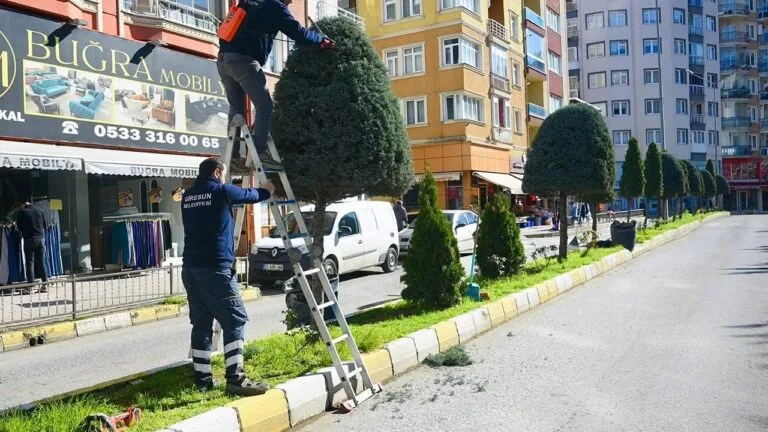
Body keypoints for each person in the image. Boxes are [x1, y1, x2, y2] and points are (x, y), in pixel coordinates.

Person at [181, 158, 275, 395]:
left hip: (190, 268)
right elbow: (251, 195)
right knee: (235, 320)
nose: (224, 178)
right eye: (223, 174)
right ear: (216, 172)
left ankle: (202, 381)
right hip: (216, 268)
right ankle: (236, 379)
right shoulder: (223, 191)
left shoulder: (188, 197)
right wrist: (267, 190)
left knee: (201, 323)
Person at [218, 0, 335, 172]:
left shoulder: (249, 1)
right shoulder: (274, 5)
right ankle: (259, 153)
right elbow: (297, 32)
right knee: (264, 105)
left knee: (236, 110)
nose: (291, 1)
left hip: (223, 59)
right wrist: (321, 41)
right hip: (244, 60)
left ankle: (234, 157)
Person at [15, 201, 48, 285]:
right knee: (41, 262)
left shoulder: (22, 212)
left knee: (30, 263)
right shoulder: (40, 210)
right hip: (40, 239)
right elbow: (45, 225)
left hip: (29, 239)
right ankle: (45, 283)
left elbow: (19, 226)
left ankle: (30, 285)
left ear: (23, 204)